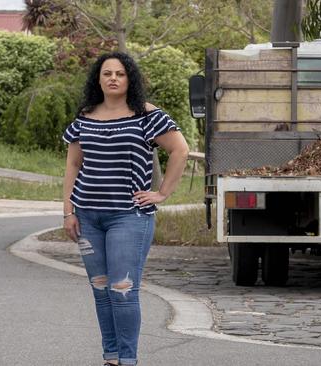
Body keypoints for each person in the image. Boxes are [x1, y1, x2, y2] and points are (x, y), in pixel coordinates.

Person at [61, 51, 189, 366]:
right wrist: (68, 210)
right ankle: (112, 358)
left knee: (122, 290)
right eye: (107, 73)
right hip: (88, 217)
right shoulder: (85, 115)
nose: (114, 78)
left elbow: (180, 150)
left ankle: (128, 360)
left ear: (129, 78)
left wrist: (162, 193)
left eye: (120, 73)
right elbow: (73, 163)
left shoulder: (147, 115)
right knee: (101, 290)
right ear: (99, 79)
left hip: (128, 217)